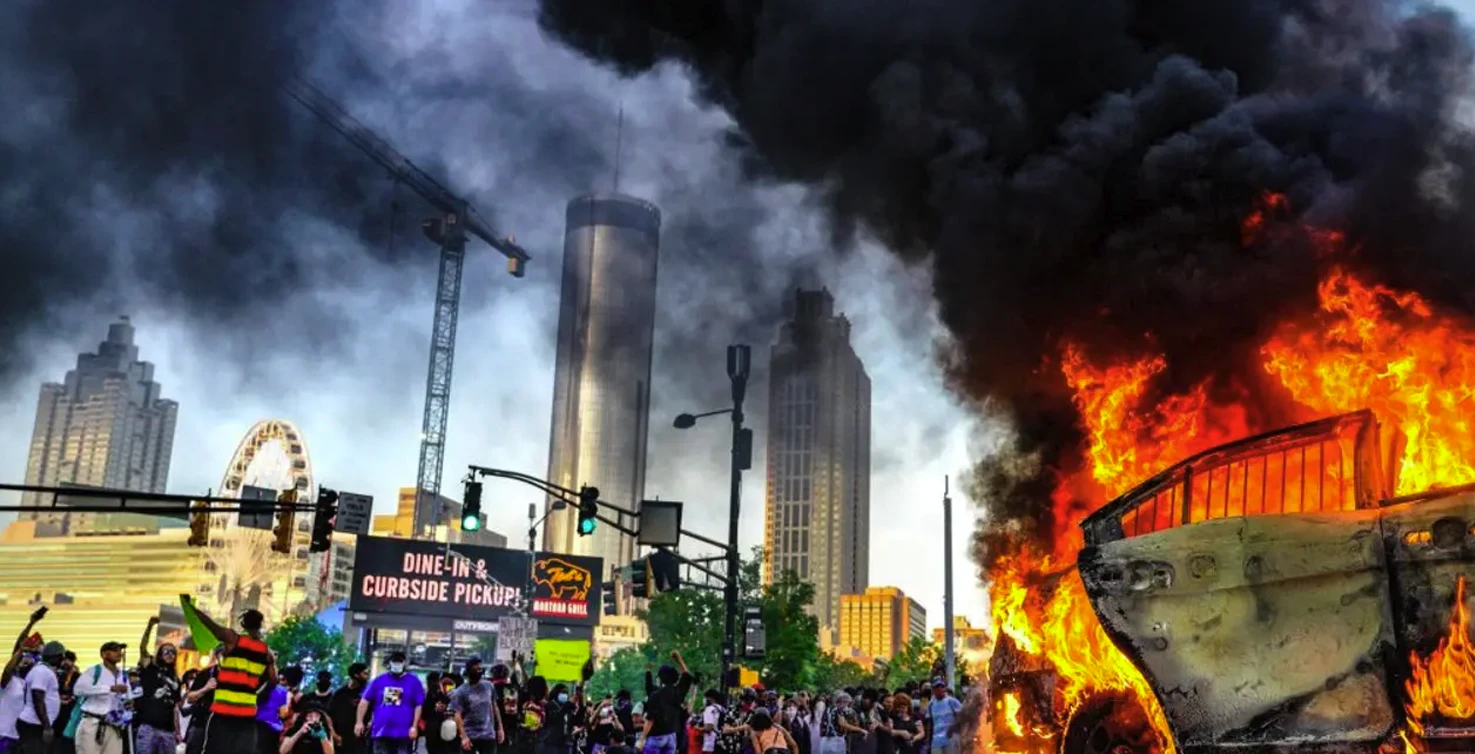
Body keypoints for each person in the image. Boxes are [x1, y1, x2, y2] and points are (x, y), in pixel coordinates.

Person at [188, 600, 277, 754]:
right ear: (260, 625)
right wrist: (254, 694)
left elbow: (212, 626)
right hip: (247, 715)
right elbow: (273, 681)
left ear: (242, 624)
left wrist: (193, 610)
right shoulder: (266, 652)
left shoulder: (233, 640)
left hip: (223, 712)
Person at [355, 652, 423, 754]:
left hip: (404, 733)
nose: (397, 664)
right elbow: (364, 701)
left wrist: (414, 726)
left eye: (399, 662)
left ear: (404, 663)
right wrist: (359, 722)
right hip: (381, 731)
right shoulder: (379, 681)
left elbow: (418, 705)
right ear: (390, 663)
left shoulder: (413, 682)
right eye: (395, 661)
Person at [71, 642, 130, 754]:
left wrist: (128, 703)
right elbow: (78, 690)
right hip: (92, 723)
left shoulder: (123, 675)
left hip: (114, 726)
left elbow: (127, 696)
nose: (119, 653)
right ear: (104, 654)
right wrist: (109, 688)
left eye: (120, 650)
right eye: (114, 650)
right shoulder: (94, 671)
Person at [640, 652, 692, 754]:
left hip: (656, 736)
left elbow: (650, 720)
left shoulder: (655, 695)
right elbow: (686, 675)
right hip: (671, 735)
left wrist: (642, 739)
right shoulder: (678, 691)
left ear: (660, 678)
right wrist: (679, 659)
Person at [17, 641, 64, 754]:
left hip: (36, 724)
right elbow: (37, 698)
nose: (62, 660)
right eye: (61, 657)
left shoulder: (41, 669)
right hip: (34, 725)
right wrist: (47, 726)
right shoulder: (42, 671)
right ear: (55, 657)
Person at [135, 642, 180, 754]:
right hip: (149, 727)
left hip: (168, 730)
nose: (170, 654)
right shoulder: (151, 670)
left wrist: (177, 730)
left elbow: (176, 707)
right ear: (159, 655)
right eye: (166, 652)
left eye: (173, 652)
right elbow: (143, 648)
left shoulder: (176, 679)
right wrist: (150, 626)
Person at [450, 658, 501, 754]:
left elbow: (495, 707)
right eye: (474, 670)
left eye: (479, 669)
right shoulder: (461, 691)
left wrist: (500, 728)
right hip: (470, 735)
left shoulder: (489, 686)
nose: (477, 672)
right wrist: (463, 737)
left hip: (488, 735)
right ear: (469, 671)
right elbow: (457, 714)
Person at [181, 647, 223, 754]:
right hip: (201, 723)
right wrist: (206, 688)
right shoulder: (206, 674)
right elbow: (190, 698)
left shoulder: (237, 676)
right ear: (217, 657)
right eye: (223, 655)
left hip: (224, 726)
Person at [327, 665, 368, 754]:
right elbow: (329, 715)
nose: (367, 676)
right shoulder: (339, 693)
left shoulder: (367, 692)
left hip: (360, 738)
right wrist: (334, 735)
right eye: (364, 673)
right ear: (356, 675)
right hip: (341, 738)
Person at [922, 684, 958, 754]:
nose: (939, 689)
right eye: (937, 687)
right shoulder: (931, 704)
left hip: (951, 738)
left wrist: (954, 729)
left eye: (941, 687)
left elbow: (961, 717)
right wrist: (928, 740)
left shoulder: (952, 701)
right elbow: (930, 723)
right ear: (933, 690)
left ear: (944, 689)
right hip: (937, 740)